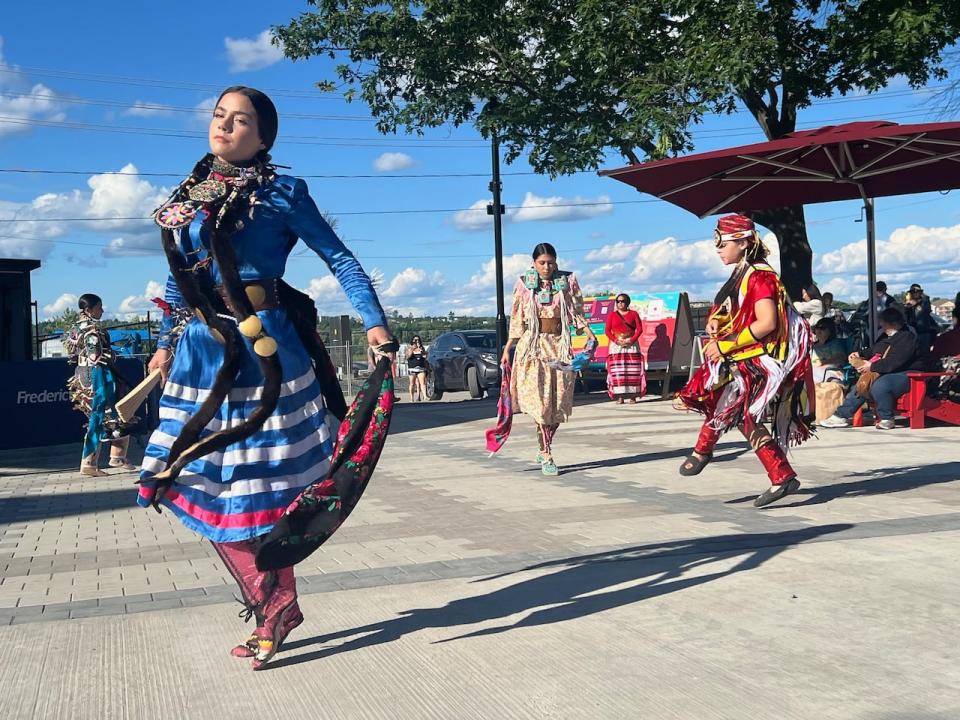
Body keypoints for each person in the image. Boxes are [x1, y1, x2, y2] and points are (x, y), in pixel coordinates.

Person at [138, 86, 392, 670]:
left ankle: (275, 604)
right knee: (198, 485)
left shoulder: (284, 193)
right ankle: (274, 600)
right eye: (218, 116)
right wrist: (163, 345)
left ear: (265, 137)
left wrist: (375, 326)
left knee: (259, 496)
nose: (225, 126)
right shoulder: (190, 194)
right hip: (203, 355)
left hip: (265, 357)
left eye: (241, 120)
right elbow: (180, 279)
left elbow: (342, 259)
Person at [675, 214, 813, 508]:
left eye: (722, 243)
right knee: (729, 407)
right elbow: (734, 310)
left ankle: (710, 453)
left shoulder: (760, 276)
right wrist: (717, 320)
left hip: (758, 360)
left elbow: (767, 323)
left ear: (743, 242)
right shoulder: (744, 273)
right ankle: (774, 473)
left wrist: (725, 346)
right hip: (744, 356)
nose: (718, 249)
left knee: (735, 410)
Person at [500, 243, 597, 476]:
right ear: (534, 263)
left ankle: (544, 443)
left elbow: (577, 312)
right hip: (533, 348)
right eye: (542, 263)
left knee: (558, 403)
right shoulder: (524, 284)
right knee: (541, 404)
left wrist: (589, 334)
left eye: (551, 262)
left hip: (559, 347)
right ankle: (546, 453)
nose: (547, 267)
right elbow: (516, 318)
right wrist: (508, 347)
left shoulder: (567, 282)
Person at [64, 293, 135, 476]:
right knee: (111, 413)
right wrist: (111, 357)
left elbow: (72, 355)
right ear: (89, 309)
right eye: (99, 307)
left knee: (101, 417)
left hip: (81, 374)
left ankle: (107, 458)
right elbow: (95, 356)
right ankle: (100, 460)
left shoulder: (75, 327)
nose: (102, 310)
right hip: (97, 375)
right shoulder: (92, 329)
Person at [820, 307, 921, 430]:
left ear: (894, 324)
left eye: (885, 325)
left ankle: (887, 418)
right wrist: (860, 354)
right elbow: (874, 350)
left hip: (907, 373)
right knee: (863, 384)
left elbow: (895, 362)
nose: (882, 327)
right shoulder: (886, 336)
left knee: (880, 385)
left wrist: (871, 366)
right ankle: (841, 415)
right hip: (887, 371)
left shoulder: (907, 338)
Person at [604, 293, 646, 404]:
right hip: (617, 345)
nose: (620, 303)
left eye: (622, 301)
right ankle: (620, 396)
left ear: (627, 302)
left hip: (631, 345)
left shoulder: (634, 314)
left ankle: (633, 396)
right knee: (618, 371)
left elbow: (639, 329)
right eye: (618, 301)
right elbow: (607, 331)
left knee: (632, 370)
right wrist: (616, 340)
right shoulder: (612, 315)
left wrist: (631, 340)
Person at [903, 283, 936, 359]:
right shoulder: (909, 302)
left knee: (924, 353)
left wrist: (916, 303)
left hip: (923, 331)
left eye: (917, 292)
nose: (915, 294)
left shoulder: (925, 300)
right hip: (912, 332)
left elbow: (924, 311)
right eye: (913, 292)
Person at [811, 317, 847, 383]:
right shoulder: (811, 346)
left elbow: (839, 357)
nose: (819, 330)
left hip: (831, 371)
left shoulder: (835, 344)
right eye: (817, 327)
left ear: (830, 331)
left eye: (822, 328)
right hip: (813, 372)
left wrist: (822, 364)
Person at [406, 335, 429, 401]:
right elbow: (408, 357)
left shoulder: (421, 347)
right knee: (412, 383)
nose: (417, 341)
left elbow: (425, 356)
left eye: (418, 340)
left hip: (421, 368)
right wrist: (412, 349)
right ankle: (411, 398)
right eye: (415, 340)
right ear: (412, 340)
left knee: (423, 383)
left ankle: (425, 396)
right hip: (412, 368)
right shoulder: (409, 348)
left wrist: (422, 351)